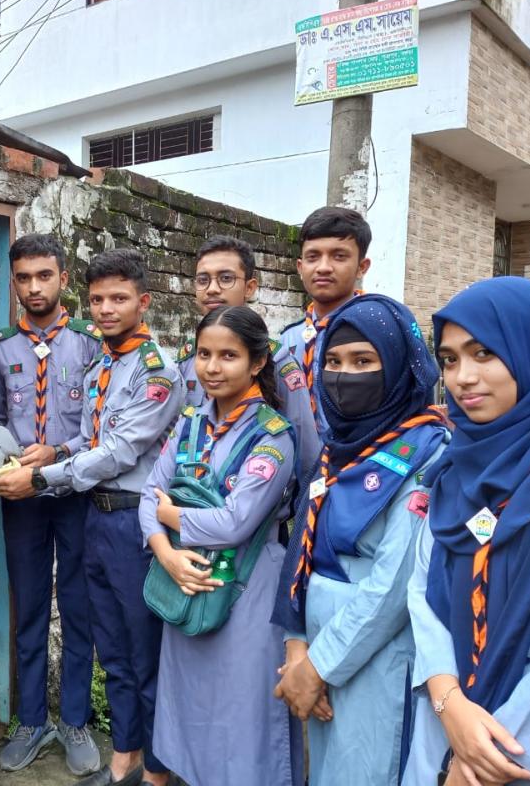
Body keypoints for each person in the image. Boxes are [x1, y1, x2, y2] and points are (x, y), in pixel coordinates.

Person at [0, 249, 183, 786]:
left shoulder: (155, 372)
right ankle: (124, 756)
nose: (105, 309)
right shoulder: (103, 364)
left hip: (132, 522)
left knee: (143, 654)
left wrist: (41, 479)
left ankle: (157, 771)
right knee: (114, 652)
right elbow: (88, 440)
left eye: (118, 298)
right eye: (98, 299)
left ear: (144, 302)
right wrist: (51, 456)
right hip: (96, 516)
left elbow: (119, 452)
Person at [403, 277, 530, 786]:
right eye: (449, 359)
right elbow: (423, 588)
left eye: (484, 353)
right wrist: (447, 701)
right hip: (445, 723)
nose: (462, 377)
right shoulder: (456, 465)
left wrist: (484, 757)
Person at [273, 294, 449, 786]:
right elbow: (303, 546)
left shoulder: (426, 455)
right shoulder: (338, 448)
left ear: (398, 367)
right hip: (317, 654)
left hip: (374, 659)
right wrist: (298, 647)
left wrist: (319, 668)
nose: (343, 376)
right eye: (333, 361)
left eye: (363, 361)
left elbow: (392, 588)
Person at [141, 305, 301, 786]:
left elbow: (235, 522)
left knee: (242, 713)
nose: (212, 367)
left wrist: (172, 517)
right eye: (204, 354)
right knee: (191, 708)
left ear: (257, 362)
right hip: (185, 581)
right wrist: (166, 554)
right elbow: (149, 492)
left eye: (228, 355)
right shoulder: (189, 423)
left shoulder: (273, 437)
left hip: (247, 590)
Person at [0, 234, 102, 775]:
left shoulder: (91, 344)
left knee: (77, 607)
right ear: (14, 282)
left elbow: (101, 426)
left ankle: (74, 719)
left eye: (43, 276)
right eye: (23, 278)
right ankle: (31, 720)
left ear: (63, 279)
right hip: (22, 501)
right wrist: (6, 459)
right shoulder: (1, 349)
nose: (33, 287)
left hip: (75, 495)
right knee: (27, 608)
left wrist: (58, 453)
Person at [176, 235, 320, 478]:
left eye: (226, 278)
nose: (212, 289)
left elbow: (306, 450)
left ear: (250, 287)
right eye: (203, 280)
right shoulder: (188, 358)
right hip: (189, 488)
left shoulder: (277, 360)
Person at [280, 207, 372, 431]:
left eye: (339, 256)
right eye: (313, 257)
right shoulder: (287, 340)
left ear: (361, 267)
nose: (323, 268)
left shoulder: (378, 334)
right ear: (300, 267)